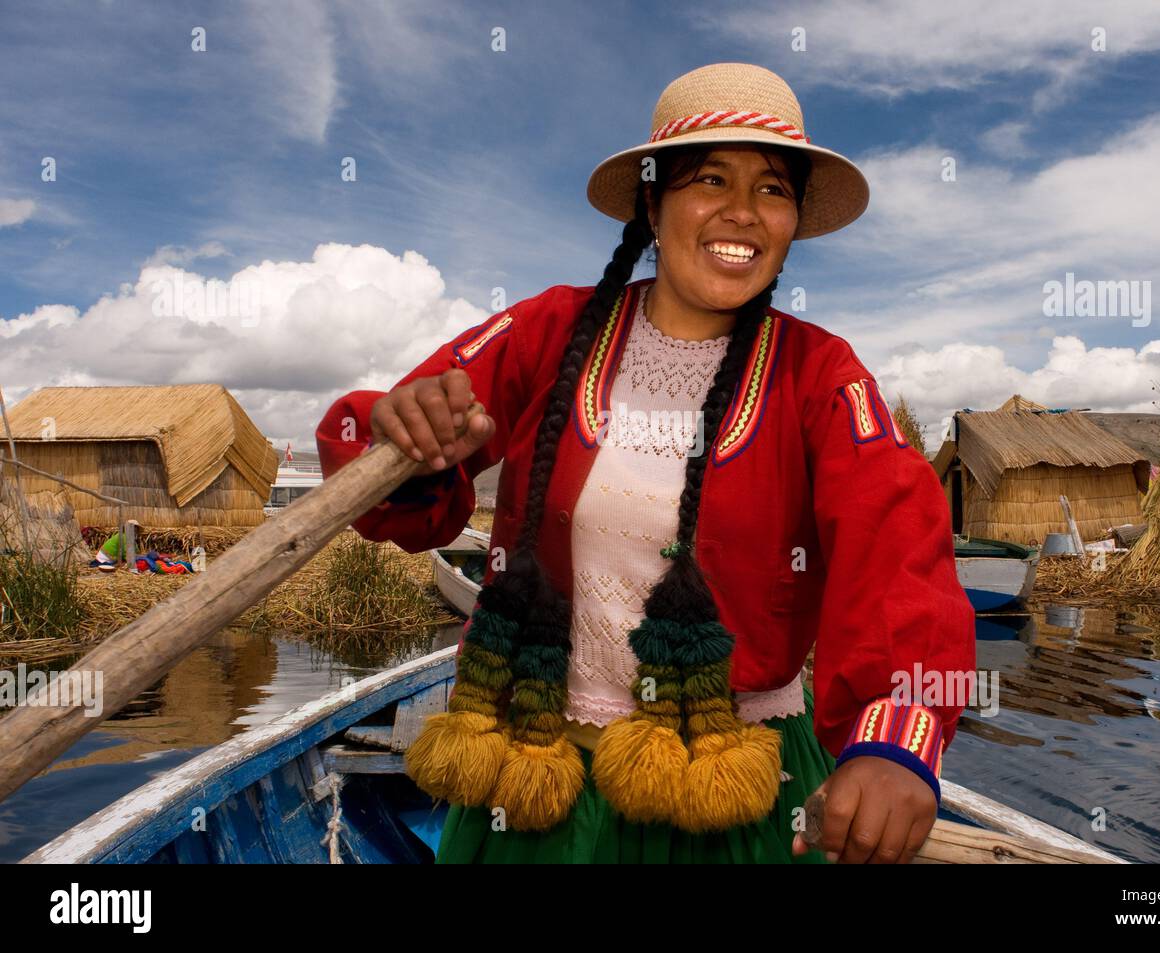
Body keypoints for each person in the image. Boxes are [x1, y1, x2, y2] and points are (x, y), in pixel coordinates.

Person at [317, 63, 975, 864]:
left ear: (793, 221)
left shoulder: (820, 374)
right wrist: (410, 439)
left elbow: (898, 544)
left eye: (772, 189)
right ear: (653, 204)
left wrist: (891, 741)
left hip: (731, 786)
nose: (742, 212)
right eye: (710, 179)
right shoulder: (548, 332)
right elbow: (398, 472)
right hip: (535, 777)